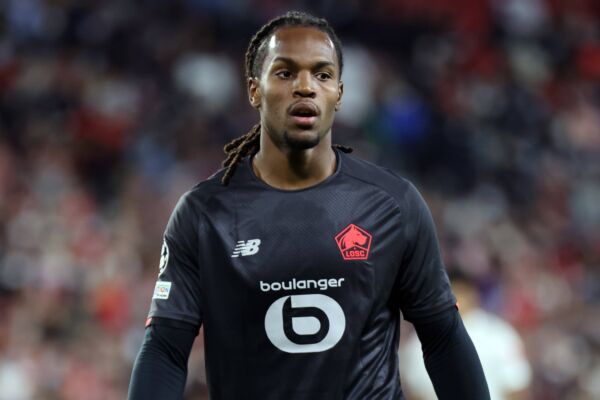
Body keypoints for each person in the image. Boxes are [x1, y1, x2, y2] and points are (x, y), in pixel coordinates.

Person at [128, 11, 490, 400]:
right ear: (254, 90)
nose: (305, 87)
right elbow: (165, 349)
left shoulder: (393, 203)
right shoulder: (204, 214)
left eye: (322, 74)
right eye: (285, 73)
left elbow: (443, 336)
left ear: (339, 93)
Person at [401, 270, 531, 400]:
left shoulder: (498, 334)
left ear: (472, 294)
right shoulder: (418, 342)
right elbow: (415, 393)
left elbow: (517, 387)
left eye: (459, 292)